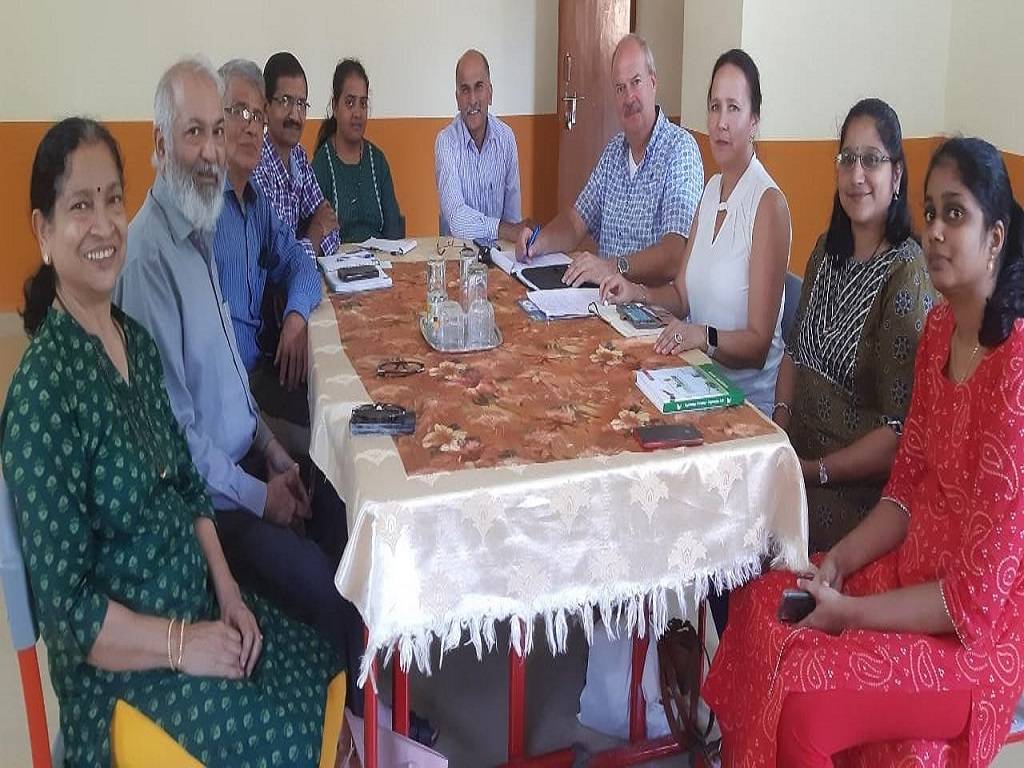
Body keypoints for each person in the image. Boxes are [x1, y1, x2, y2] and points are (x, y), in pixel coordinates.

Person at [0, 117, 340, 767]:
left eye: (111, 200)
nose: (102, 225)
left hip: (197, 607)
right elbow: (72, 614)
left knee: (322, 662)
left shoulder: (132, 341)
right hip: (128, 681)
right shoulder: (44, 400)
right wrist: (187, 644)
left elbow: (187, 483)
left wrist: (230, 595)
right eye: (79, 206)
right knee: (295, 743)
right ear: (43, 230)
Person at [704, 136, 1024, 767]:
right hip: (903, 571)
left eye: (954, 213)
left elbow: (971, 601)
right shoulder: (939, 333)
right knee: (765, 604)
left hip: (968, 642)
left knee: (806, 703)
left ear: (996, 238)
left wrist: (851, 613)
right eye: (930, 213)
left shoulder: (1014, 373)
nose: (934, 230)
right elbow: (902, 493)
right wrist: (838, 565)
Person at [113, 58, 365, 716]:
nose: (209, 150)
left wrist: (275, 453)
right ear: (161, 143)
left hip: (247, 457)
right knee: (326, 587)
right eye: (193, 133)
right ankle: (367, 727)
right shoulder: (149, 260)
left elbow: (231, 375)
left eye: (214, 132)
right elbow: (177, 441)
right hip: (212, 500)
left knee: (339, 494)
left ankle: (354, 693)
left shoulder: (202, 232)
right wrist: (261, 496)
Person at [774, 99, 936, 553]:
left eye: (872, 160)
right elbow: (795, 354)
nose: (857, 175)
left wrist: (813, 470)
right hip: (797, 463)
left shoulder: (906, 276)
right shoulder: (827, 250)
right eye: (847, 159)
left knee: (747, 528)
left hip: (852, 497)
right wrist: (781, 431)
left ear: (897, 175)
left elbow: (897, 433)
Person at [601, 48, 791, 418]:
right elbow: (681, 296)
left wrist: (703, 336)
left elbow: (757, 345)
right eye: (714, 107)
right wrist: (634, 291)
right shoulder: (711, 189)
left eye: (733, 108)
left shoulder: (768, 205)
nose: (720, 122)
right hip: (695, 378)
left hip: (743, 406)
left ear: (754, 120)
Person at [515, 33, 703, 288]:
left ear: (653, 82)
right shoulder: (614, 151)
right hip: (605, 305)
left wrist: (611, 267)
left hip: (653, 316)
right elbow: (574, 222)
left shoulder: (680, 150)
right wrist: (538, 242)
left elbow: (674, 255)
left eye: (635, 82)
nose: (629, 98)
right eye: (619, 88)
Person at [214, 58, 321, 410]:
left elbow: (300, 263)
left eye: (256, 116)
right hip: (225, 399)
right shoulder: (203, 215)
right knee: (324, 438)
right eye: (238, 112)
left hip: (258, 375)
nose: (251, 127)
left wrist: (296, 315)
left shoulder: (256, 205)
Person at [435, 48, 532, 242]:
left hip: (499, 256)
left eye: (478, 87)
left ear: (490, 92)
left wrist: (514, 235)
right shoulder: (445, 142)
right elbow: (456, 220)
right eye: (465, 90)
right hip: (457, 258)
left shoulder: (506, 138)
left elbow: (512, 217)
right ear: (457, 99)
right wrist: (505, 230)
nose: (472, 100)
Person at [254, 51, 340, 259]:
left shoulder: (299, 157)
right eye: (285, 101)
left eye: (301, 104)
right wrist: (316, 232)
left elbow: (333, 229)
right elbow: (275, 262)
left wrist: (310, 239)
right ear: (265, 108)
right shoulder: (257, 166)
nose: (295, 115)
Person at [312, 58, 403, 243]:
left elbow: (394, 230)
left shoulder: (377, 161)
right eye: (350, 102)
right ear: (335, 107)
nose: (358, 113)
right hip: (337, 268)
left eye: (363, 103)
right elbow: (318, 238)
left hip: (381, 266)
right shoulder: (322, 165)